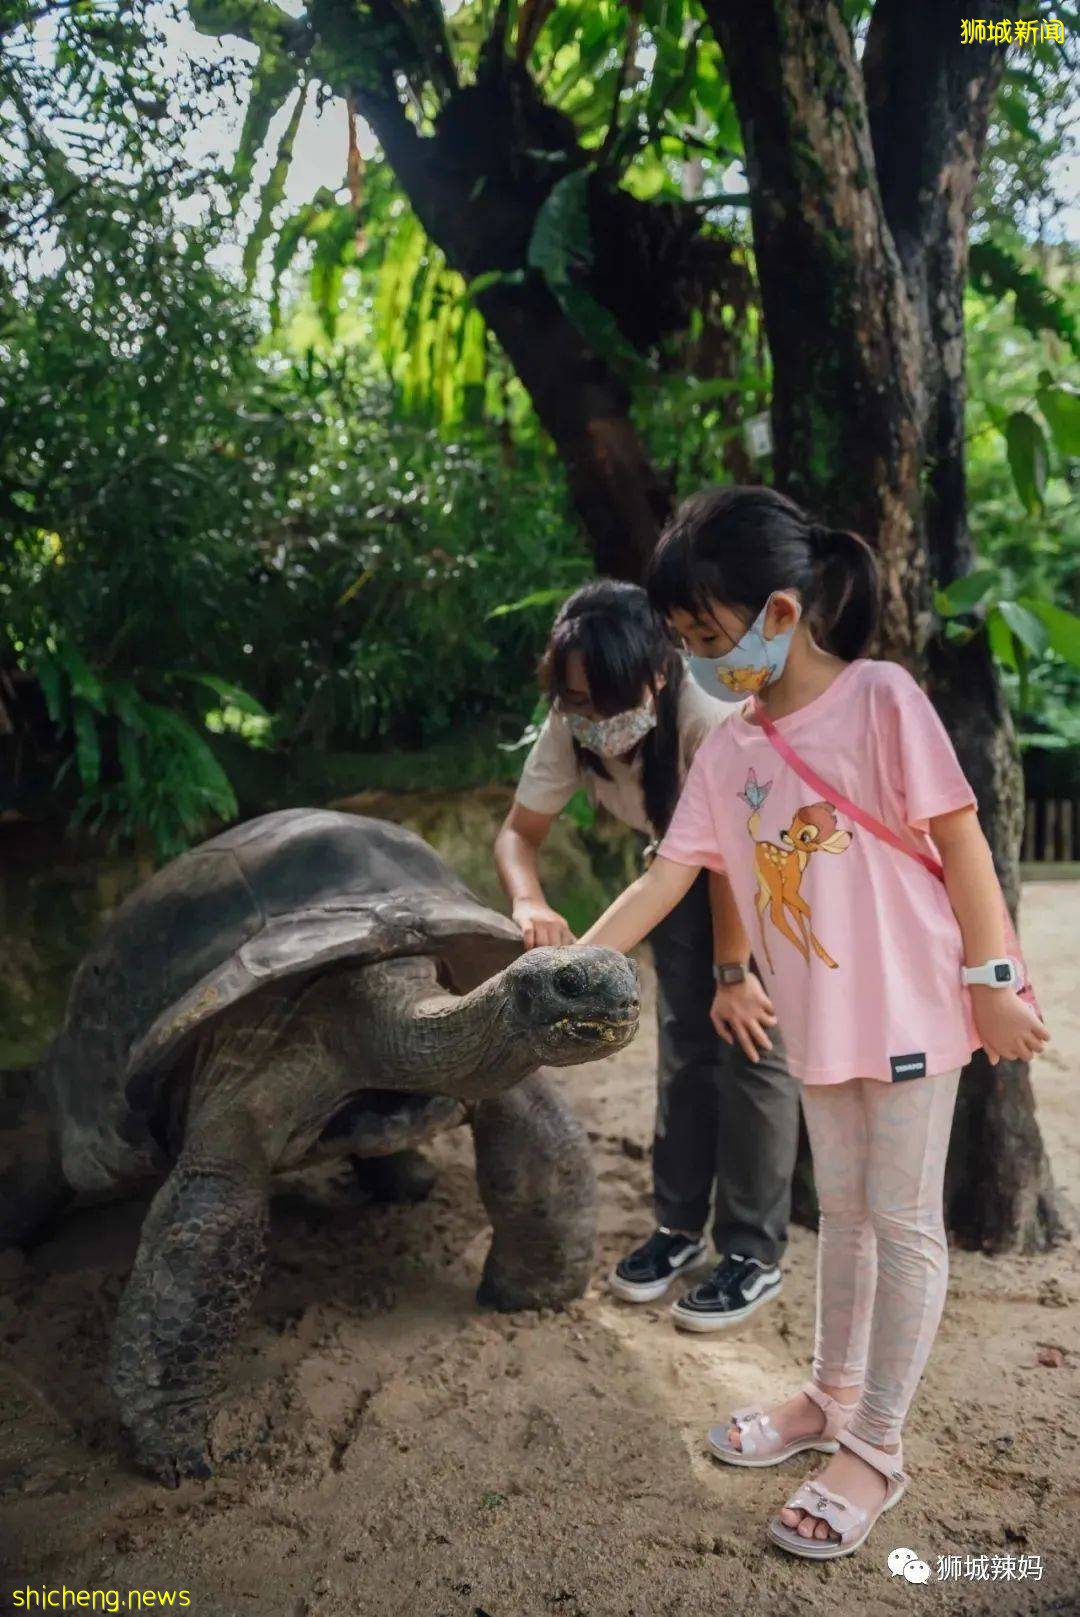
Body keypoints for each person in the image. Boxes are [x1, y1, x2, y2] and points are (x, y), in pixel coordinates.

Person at [576, 488, 1050, 1560]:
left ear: (780, 614)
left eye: (709, 637)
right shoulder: (730, 751)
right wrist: (571, 962)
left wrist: (993, 979)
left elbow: (962, 840)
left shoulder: (882, 697)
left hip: (914, 1003)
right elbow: (667, 877)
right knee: (840, 1215)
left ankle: (875, 1449)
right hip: (820, 1019)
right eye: (688, 642)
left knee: (903, 1220)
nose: (700, 661)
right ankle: (832, 1398)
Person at [494, 579, 799, 1329]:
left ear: (658, 674)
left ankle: (752, 1251)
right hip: (678, 865)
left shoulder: (710, 716)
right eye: (576, 699)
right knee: (683, 1042)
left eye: (606, 699)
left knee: (751, 1044)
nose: (593, 717)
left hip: (767, 870)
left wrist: (734, 973)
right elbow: (518, 833)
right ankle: (678, 1226)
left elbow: (734, 859)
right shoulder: (574, 719)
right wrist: (529, 902)